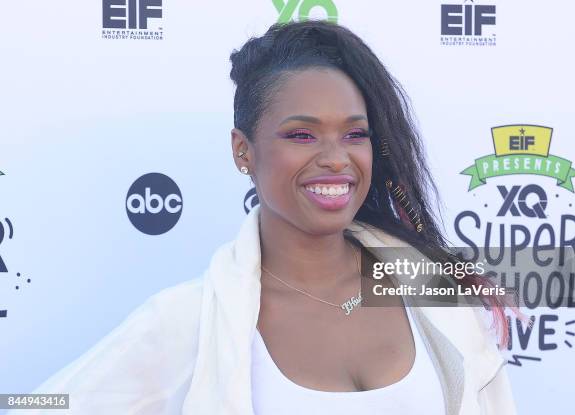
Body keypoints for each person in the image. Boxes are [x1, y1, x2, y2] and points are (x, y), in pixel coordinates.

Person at [13, 20, 519, 415]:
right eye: (301, 135)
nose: (336, 159)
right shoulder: (190, 320)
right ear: (243, 151)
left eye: (354, 134)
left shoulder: (437, 293)